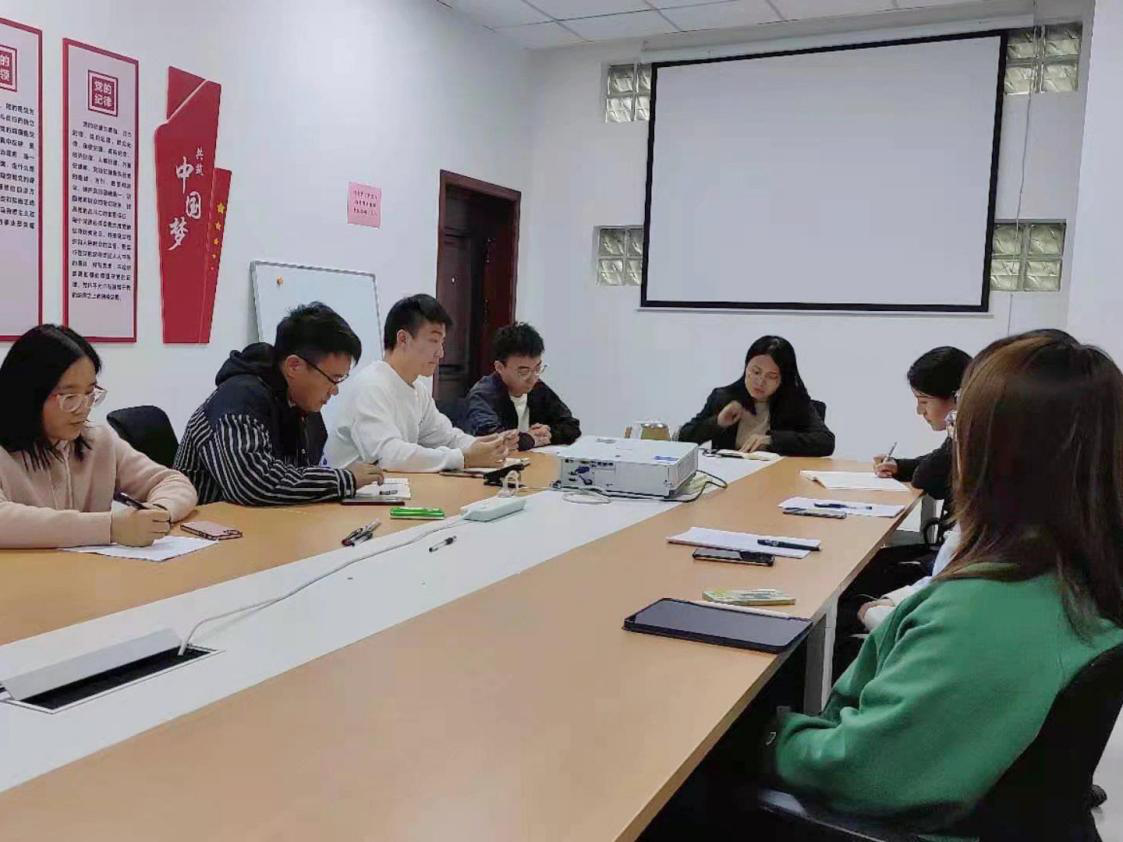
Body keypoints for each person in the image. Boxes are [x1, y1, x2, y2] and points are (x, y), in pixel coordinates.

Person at [766, 332, 1123, 832]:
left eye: (960, 425)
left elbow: (859, 772)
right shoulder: (1085, 572)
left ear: (995, 453)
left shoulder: (987, 611)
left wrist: (773, 737)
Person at [0, 325, 197, 548]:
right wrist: (109, 528)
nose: (83, 408)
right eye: (69, 397)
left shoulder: (97, 441)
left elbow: (172, 481)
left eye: (89, 393)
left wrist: (158, 513)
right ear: (28, 394)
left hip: (87, 568)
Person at [175, 302, 383, 506]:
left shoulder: (304, 405)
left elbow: (304, 474)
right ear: (294, 366)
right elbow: (253, 485)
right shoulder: (238, 399)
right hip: (207, 524)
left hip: (270, 522)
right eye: (333, 379)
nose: (335, 390)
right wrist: (344, 480)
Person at [325, 294, 514, 472]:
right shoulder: (371, 385)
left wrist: (485, 445)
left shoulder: (418, 390)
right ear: (403, 339)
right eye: (434, 341)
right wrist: (463, 458)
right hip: (346, 494)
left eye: (442, 342)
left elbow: (446, 437)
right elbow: (388, 455)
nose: (441, 353)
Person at [678, 335, 834, 456]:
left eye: (771, 376)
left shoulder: (795, 402)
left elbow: (826, 442)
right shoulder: (723, 397)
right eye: (756, 372)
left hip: (778, 478)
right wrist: (717, 422)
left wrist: (772, 439)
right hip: (731, 478)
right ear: (746, 368)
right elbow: (683, 439)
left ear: (783, 379)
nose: (760, 382)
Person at [872, 345, 972, 502]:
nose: (920, 411)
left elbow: (926, 478)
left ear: (958, 398)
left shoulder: (973, 438)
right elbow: (941, 462)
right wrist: (900, 467)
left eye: (924, 401)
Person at [464, 322, 581, 450]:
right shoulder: (482, 395)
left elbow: (571, 425)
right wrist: (530, 439)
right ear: (500, 367)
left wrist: (549, 433)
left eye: (537, 368)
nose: (532, 378)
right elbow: (491, 437)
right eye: (524, 372)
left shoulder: (538, 388)